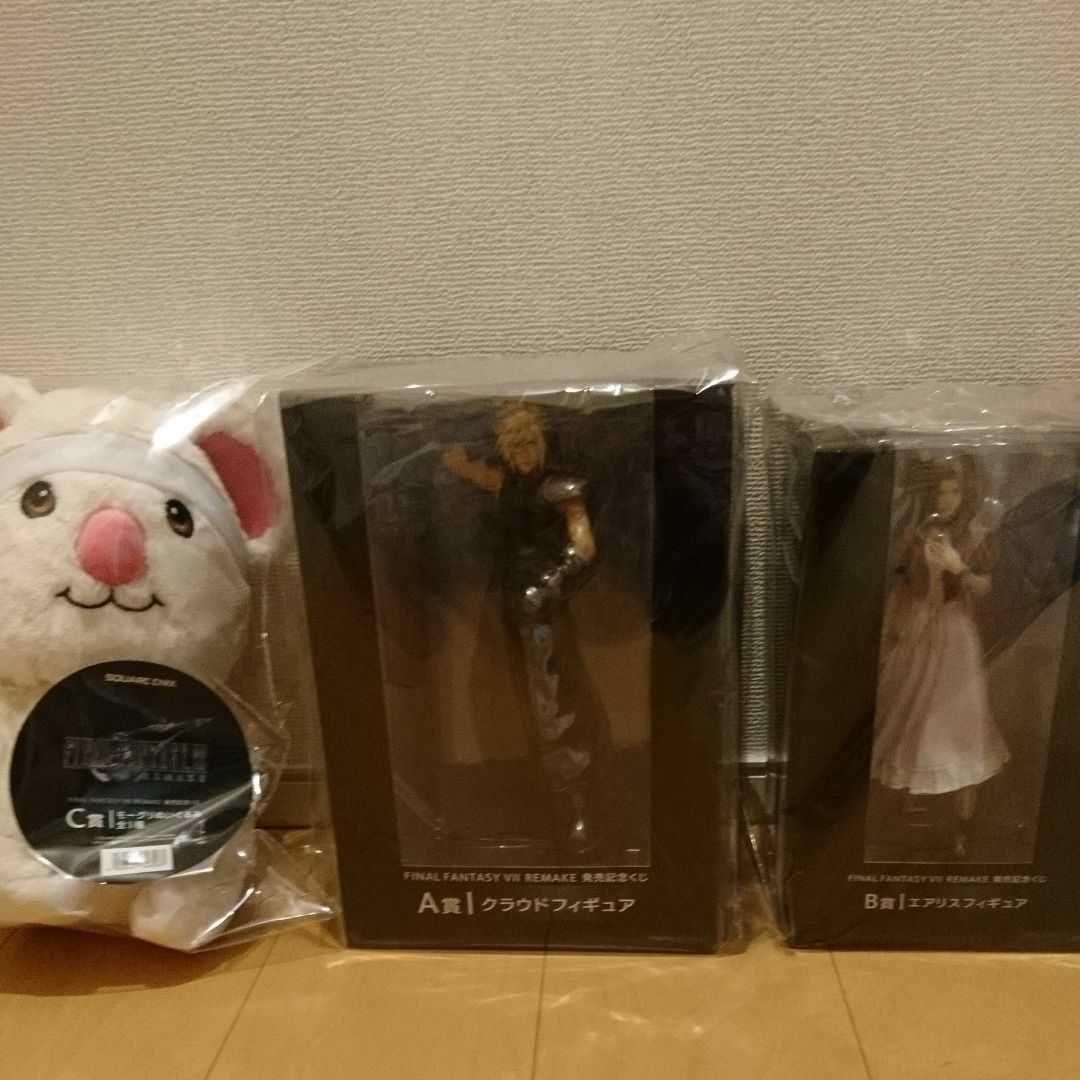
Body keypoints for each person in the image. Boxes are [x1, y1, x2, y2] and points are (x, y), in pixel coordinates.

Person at [442, 401, 599, 857]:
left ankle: (574, 806)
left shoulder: (559, 488)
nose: (524, 452)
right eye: (515, 445)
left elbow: (584, 548)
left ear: (543, 442)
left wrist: (548, 585)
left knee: (552, 705)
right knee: (510, 700)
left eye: (530, 442)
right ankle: (538, 800)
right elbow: (469, 470)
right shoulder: (506, 483)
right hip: (506, 603)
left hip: (541, 608)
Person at [871, 455, 1009, 858]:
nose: (946, 499)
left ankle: (960, 827)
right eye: (940, 492)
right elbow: (903, 584)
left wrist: (958, 566)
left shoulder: (975, 534)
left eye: (954, 491)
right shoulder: (917, 534)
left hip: (954, 634)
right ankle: (907, 812)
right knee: (909, 711)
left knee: (956, 722)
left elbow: (984, 588)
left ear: (966, 495)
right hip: (919, 629)